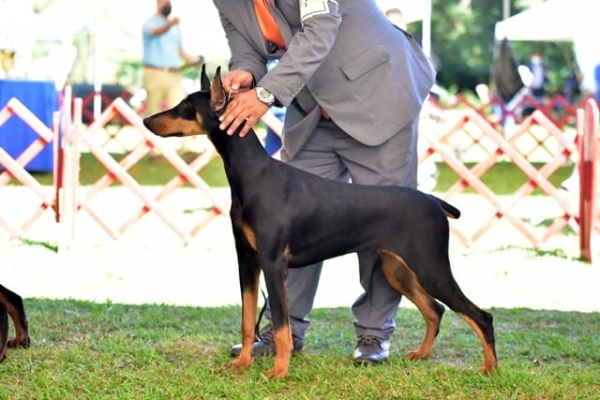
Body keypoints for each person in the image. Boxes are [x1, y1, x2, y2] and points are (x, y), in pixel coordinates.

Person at [213, 0, 435, 364]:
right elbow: (248, 52)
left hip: (377, 93)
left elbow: (320, 28)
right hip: (311, 108)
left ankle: (374, 334)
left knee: (383, 222)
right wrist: (246, 74)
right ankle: (285, 330)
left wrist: (267, 94)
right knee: (283, 222)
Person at [142, 0, 205, 161]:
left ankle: (186, 149)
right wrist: (170, 24)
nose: (167, 4)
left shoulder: (175, 28)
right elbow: (156, 32)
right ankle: (154, 152)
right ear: (158, 3)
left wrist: (194, 60)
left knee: (182, 110)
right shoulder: (150, 24)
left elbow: (181, 52)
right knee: (153, 113)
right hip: (154, 73)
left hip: (174, 74)